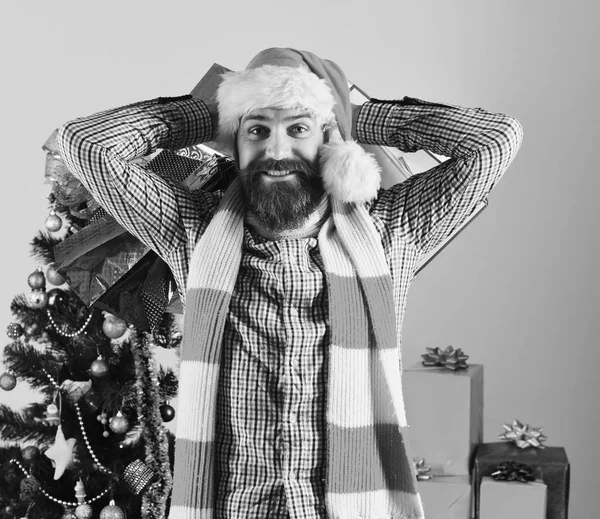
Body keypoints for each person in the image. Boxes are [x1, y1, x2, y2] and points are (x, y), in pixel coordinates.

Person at [57, 47, 523, 519]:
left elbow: (497, 140)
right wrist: (209, 112)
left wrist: (356, 117)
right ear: (233, 141)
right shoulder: (191, 230)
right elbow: (84, 143)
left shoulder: (391, 230)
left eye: (297, 128)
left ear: (327, 139)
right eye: (257, 129)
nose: (276, 152)